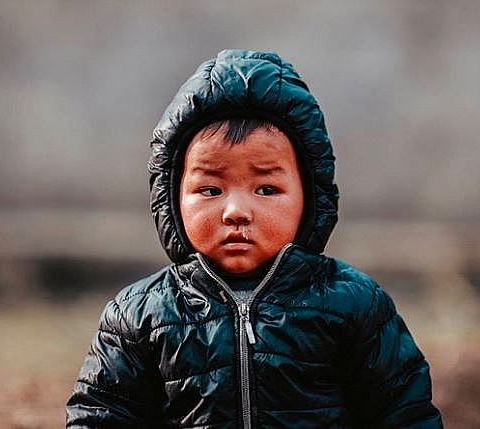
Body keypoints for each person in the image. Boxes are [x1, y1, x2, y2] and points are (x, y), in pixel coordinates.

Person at [66, 49, 443, 428]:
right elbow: (99, 417)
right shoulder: (138, 316)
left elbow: (405, 414)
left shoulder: (355, 305)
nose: (236, 211)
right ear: (171, 197)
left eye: (265, 189)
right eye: (211, 190)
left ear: (310, 197)